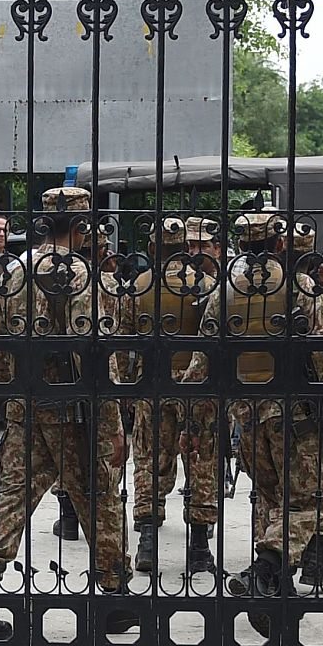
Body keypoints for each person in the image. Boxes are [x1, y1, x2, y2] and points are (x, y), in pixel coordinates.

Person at [0, 187, 131, 630]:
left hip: (25, 405)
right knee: (99, 498)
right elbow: (94, 354)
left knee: (13, 496)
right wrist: (112, 424)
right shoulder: (80, 275)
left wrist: (8, 391)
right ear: (81, 226)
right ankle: (115, 595)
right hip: (73, 411)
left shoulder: (16, 272)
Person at [223, 214, 323, 607]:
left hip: (246, 414)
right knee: (310, 500)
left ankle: (277, 588)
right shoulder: (299, 288)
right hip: (293, 415)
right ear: (279, 244)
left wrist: (196, 419)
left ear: (241, 245)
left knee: (269, 498)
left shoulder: (226, 290)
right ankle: (265, 569)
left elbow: (206, 357)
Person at [120, 217, 220, 577]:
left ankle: (147, 540)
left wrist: (125, 387)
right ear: (184, 249)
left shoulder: (137, 287)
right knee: (201, 461)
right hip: (197, 385)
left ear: (152, 248)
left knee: (150, 460)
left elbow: (122, 343)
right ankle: (199, 547)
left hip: (152, 383)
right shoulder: (205, 285)